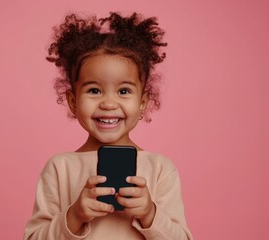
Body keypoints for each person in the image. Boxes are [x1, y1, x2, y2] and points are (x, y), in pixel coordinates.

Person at [24, 12, 193, 240]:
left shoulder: (160, 170)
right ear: (73, 101)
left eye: (124, 91)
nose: (109, 103)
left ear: (142, 103)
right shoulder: (59, 168)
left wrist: (150, 214)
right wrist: (74, 216)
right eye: (94, 90)